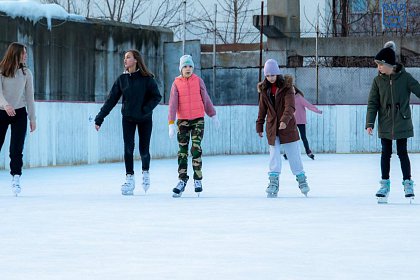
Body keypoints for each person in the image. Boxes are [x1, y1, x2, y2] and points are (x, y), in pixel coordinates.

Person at [94, 49, 161, 196]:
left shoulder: (147, 79)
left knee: (144, 150)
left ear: (136, 60)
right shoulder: (122, 80)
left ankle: (145, 172)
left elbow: (157, 96)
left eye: (128, 57)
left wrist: (145, 109)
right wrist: (100, 117)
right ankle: (129, 178)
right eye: (124, 58)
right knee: (128, 148)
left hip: (145, 119)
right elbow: (111, 100)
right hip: (128, 119)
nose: (125, 60)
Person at [366, 41, 420, 203]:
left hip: (402, 121)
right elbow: (372, 103)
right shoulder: (378, 81)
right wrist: (370, 123)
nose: (378, 68)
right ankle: (384, 185)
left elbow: (418, 90)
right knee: (385, 153)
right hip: (385, 122)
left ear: (389, 64)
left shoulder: (405, 78)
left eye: (380, 65)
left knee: (402, 153)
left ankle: (408, 183)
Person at [256, 59, 310, 198]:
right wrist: (259, 126)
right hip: (272, 127)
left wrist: (285, 121)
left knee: (294, 154)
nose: (270, 78)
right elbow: (262, 110)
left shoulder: (287, 88)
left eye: (273, 74)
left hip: (288, 127)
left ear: (277, 73)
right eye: (268, 75)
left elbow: (290, 106)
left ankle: (301, 179)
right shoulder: (264, 90)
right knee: (274, 156)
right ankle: (273, 182)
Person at [168, 54, 219, 198]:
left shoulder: (198, 81)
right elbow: (172, 105)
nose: (188, 68)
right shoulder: (176, 83)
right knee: (182, 151)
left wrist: (213, 115)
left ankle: (197, 179)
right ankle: (182, 180)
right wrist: (171, 123)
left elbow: (206, 99)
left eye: (190, 66)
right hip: (182, 121)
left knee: (196, 148)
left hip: (198, 120)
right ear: (181, 68)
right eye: (185, 66)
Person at [0, 42, 36, 196]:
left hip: (19, 113)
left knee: (16, 148)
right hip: (1, 112)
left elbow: (30, 97)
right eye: (23, 53)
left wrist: (32, 118)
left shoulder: (26, 73)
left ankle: (16, 178)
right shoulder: (1, 71)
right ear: (15, 53)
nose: (26, 55)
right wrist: (6, 105)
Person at [284, 87, 322, 160]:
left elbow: (308, 105)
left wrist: (317, 111)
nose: (292, 91)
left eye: (293, 89)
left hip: (300, 121)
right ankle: (287, 153)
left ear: (295, 90)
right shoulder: (288, 98)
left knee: (303, 137)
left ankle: (308, 151)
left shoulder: (299, 98)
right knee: (291, 138)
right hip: (291, 121)